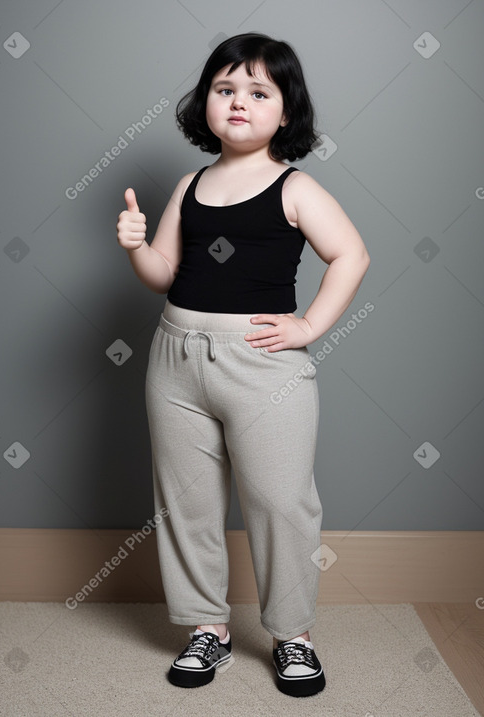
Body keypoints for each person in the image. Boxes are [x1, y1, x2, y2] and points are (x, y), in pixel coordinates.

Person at [117, 32, 370, 698]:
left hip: (261, 367)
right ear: (205, 103)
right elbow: (162, 273)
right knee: (186, 502)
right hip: (175, 356)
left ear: (285, 113)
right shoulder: (190, 184)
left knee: (280, 502)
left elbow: (351, 255)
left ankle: (293, 635)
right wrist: (137, 247)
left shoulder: (295, 187)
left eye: (259, 92)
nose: (238, 102)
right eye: (225, 89)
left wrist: (310, 324)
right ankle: (208, 626)